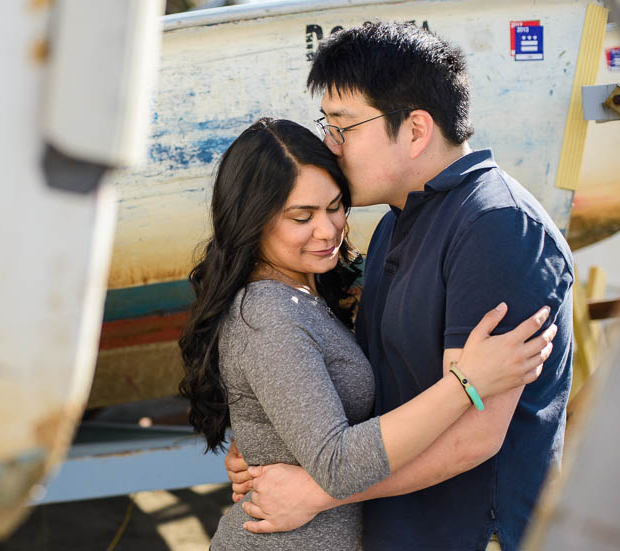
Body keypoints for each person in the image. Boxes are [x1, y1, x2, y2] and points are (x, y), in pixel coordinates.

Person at [226, 22, 574, 551]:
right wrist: (272, 448)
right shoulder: (397, 221)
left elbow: (475, 435)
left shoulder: (496, 226)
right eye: (328, 125)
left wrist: (319, 491)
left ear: (415, 130)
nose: (330, 145)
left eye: (344, 126)